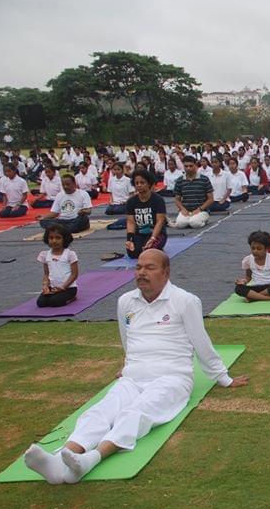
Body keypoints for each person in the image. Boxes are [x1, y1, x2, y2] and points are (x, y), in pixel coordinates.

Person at [22, 249, 249, 484]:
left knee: (136, 412)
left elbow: (201, 343)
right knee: (101, 411)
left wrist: (224, 378)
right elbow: (127, 338)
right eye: (139, 267)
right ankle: (61, 459)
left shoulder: (185, 301)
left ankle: (92, 458)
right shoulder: (126, 301)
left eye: (150, 268)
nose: (141, 272)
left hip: (172, 378)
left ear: (166, 272)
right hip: (133, 377)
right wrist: (127, 365)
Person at [124, 169, 168, 258]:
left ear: (149, 184)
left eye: (142, 182)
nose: (139, 185)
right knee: (132, 252)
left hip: (157, 233)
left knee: (148, 252)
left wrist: (153, 238)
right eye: (137, 183)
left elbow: (160, 221)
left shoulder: (158, 200)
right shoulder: (131, 201)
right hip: (139, 233)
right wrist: (129, 240)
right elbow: (131, 222)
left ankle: (156, 247)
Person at [36, 223, 78, 308]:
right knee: (41, 303)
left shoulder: (70, 254)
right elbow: (46, 274)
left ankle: (72, 298)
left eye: (58, 238)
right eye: (51, 238)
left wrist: (63, 287)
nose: (54, 241)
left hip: (68, 288)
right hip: (53, 288)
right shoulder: (45, 255)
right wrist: (45, 286)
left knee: (55, 302)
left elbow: (74, 274)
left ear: (65, 239)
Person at [235, 231, 270, 302]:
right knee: (238, 288)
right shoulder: (247, 260)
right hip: (255, 287)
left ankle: (253, 297)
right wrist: (243, 281)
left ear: (266, 249)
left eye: (259, 249)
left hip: (269, 287)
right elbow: (248, 277)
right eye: (253, 248)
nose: (255, 251)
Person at [173, 156, 214, 229]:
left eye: (191, 166)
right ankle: (189, 220)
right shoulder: (179, 180)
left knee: (194, 223)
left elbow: (211, 199)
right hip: (186, 210)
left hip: (202, 211)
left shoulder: (204, 179)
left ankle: (198, 220)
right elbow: (177, 199)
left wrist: (200, 209)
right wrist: (182, 209)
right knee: (180, 224)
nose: (188, 168)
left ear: (196, 165)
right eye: (186, 166)